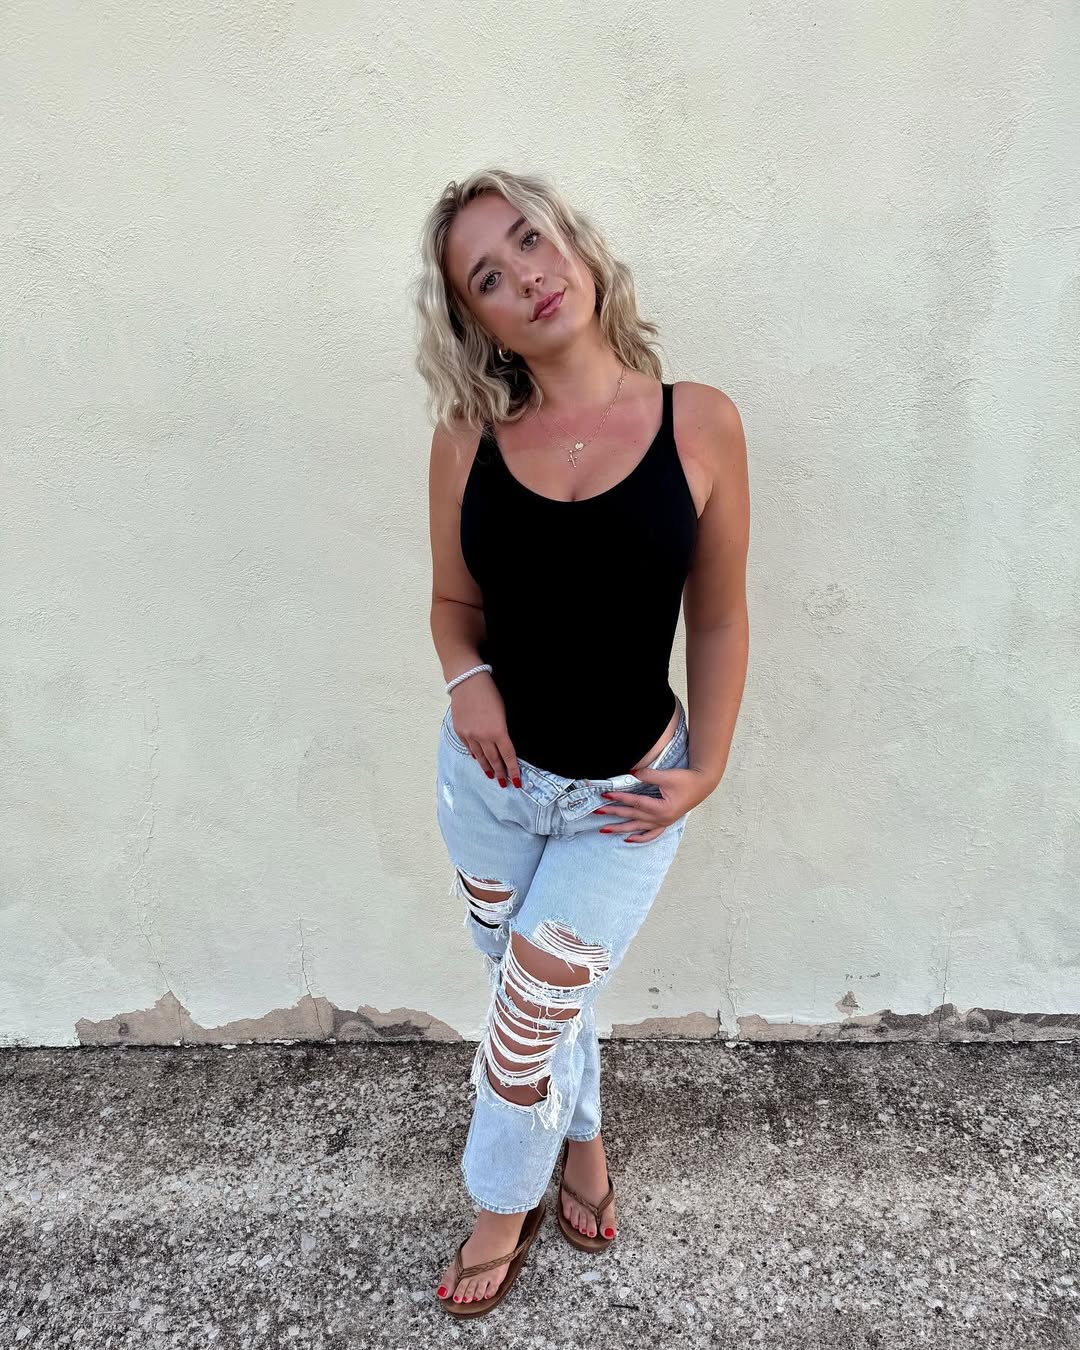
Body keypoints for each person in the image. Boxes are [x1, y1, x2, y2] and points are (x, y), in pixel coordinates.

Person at [412, 167, 750, 1317]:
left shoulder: (700, 422)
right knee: (543, 994)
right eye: (487, 276)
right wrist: (468, 682)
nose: (526, 276)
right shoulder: (466, 439)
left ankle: (496, 1211)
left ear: (578, 244)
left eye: (530, 239)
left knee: (525, 1023)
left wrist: (709, 766)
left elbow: (718, 615)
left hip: (626, 795)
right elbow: (452, 605)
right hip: (491, 788)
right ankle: (586, 1147)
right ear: (478, 322)